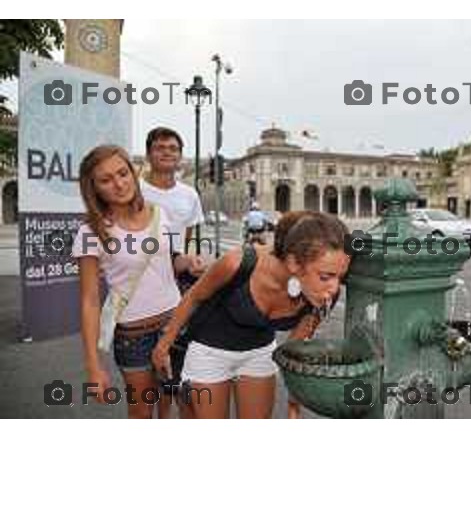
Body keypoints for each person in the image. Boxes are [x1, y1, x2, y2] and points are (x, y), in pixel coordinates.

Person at [152, 211, 351, 419]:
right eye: (326, 276)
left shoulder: (324, 298)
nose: (334, 287)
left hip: (259, 353)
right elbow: (193, 297)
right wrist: (163, 345)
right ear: (293, 263)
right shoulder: (237, 263)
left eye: (340, 277)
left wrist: (295, 400)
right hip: (210, 352)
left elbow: (294, 348)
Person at [72, 145, 181, 419]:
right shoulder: (90, 233)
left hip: (176, 327)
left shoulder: (159, 214)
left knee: (173, 403)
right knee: (142, 412)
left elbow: (165, 266)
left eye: (123, 173)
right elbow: (89, 301)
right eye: (106, 180)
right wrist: (93, 366)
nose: (119, 184)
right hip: (135, 338)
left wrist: (188, 261)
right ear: (93, 188)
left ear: (133, 173)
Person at [140, 127, 206, 417]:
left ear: (180, 156)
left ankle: (166, 415)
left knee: (175, 355)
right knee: (145, 357)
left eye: (173, 148)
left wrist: (186, 262)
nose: (167, 152)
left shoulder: (189, 195)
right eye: (160, 147)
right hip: (142, 280)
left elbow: (186, 238)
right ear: (149, 153)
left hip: (178, 279)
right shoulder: (136, 191)